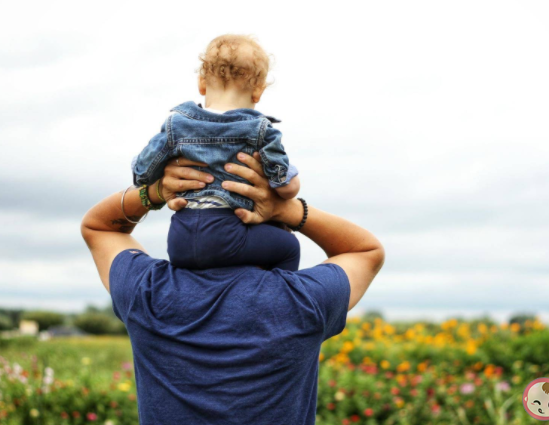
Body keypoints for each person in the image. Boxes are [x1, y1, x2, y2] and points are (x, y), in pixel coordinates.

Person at [81, 152, 385, 424]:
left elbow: (99, 226)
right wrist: (288, 209)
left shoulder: (147, 292)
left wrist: (155, 192)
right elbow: (366, 251)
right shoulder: (304, 301)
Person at [132, 34, 301, 271]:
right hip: (229, 234)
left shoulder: (176, 125)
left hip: (180, 239)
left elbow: (142, 174)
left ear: (201, 83)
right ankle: (279, 300)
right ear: (258, 92)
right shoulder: (260, 129)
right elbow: (285, 187)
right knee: (288, 246)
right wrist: (290, 180)